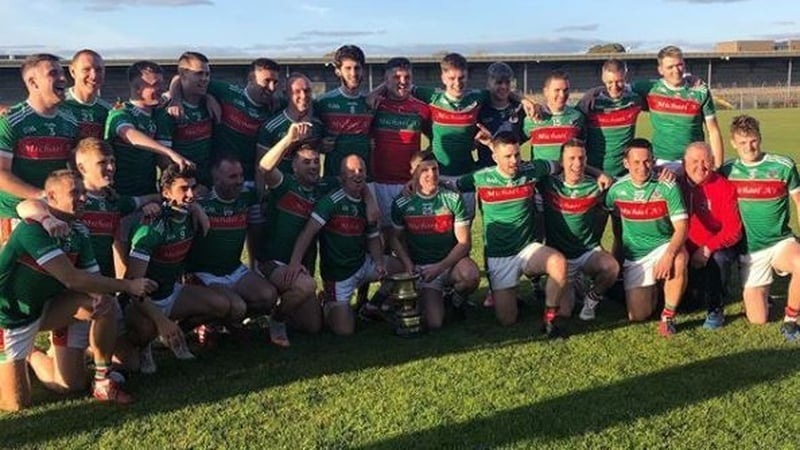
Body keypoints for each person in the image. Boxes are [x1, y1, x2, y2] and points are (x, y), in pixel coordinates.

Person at [0, 169, 157, 410]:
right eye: (75, 193)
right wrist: (128, 285)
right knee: (17, 404)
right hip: (8, 320)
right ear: (51, 197)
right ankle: (30, 354)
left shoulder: (79, 231)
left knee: (102, 303)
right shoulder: (32, 229)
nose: (84, 198)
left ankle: (103, 381)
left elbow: (92, 279)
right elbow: (72, 278)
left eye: (84, 192)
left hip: (45, 309)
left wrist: (106, 294)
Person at [187, 154, 319, 347]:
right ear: (216, 180)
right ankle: (204, 323)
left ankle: (228, 322)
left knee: (268, 297)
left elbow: (257, 230)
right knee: (237, 307)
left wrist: (260, 264)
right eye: (232, 177)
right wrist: (194, 206)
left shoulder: (247, 197)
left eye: (241, 175)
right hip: (206, 275)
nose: (239, 180)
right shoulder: (201, 202)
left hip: (234, 270)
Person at [122, 165, 240, 373]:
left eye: (193, 188)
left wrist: (197, 209)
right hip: (144, 302)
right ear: (166, 193)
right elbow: (133, 286)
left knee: (222, 305)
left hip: (172, 293)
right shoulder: (150, 228)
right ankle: (146, 344)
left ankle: (176, 335)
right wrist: (161, 321)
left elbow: (192, 205)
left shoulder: (189, 214)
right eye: (183, 189)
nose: (191, 194)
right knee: (145, 332)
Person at [457, 129, 567, 336]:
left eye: (517, 154)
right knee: (507, 320)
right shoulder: (481, 178)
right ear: (494, 156)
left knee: (558, 263)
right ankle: (510, 293)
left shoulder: (532, 169)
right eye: (507, 156)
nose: (514, 160)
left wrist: (596, 174)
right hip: (499, 256)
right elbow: (449, 184)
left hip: (527, 249)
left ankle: (550, 321)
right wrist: (413, 183)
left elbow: (563, 164)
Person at [285, 154, 400, 335]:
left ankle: (373, 305)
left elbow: (373, 237)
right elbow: (307, 233)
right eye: (352, 171)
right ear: (342, 176)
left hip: (363, 264)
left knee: (402, 268)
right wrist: (294, 262)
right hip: (339, 276)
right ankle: (327, 303)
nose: (357, 174)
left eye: (361, 170)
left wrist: (378, 262)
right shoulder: (330, 202)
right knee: (344, 331)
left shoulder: (367, 204)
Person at [719, 115, 800, 340]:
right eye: (742, 143)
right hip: (751, 251)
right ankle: (766, 295)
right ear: (733, 143)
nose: (749, 147)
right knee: (758, 318)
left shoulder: (783, 166)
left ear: (760, 138)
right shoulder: (727, 170)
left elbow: (799, 201)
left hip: (779, 242)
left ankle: (791, 320)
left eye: (753, 140)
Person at [256, 134, 336, 342]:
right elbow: (264, 167)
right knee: (307, 286)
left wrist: (370, 198)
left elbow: (354, 181)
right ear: (294, 166)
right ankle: (277, 318)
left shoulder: (322, 189)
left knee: (313, 326)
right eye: (306, 162)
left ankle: (287, 305)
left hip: (299, 267)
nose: (313, 166)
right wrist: (289, 139)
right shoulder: (286, 184)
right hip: (273, 262)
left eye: (316, 161)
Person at [605, 138, 688, 336]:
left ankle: (668, 316)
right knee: (638, 315)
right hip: (636, 257)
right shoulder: (616, 190)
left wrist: (668, 255)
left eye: (647, 161)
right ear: (626, 163)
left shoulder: (667, 186)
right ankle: (660, 290)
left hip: (662, 246)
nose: (642, 167)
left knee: (679, 258)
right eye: (636, 162)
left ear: (653, 161)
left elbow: (682, 227)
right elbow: (615, 227)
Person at [389, 150, 480, 329]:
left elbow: (464, 243)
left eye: (435, 169)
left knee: (471, 275)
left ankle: (456, 300)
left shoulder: (452, 197)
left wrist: (440, 267)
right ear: (413, 172)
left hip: (449, 264)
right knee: (435, 323)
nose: (432, 174)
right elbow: (394, 239)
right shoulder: (402, 202)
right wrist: (409, 265)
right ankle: (431, 299)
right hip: (423, 269)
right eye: (425, 170)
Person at [538, 139, 620, 320]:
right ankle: (562, 282)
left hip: (587, 252)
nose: (577, 163)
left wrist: (600, 175)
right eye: (571, 158)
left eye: (581, 158)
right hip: (561, 258)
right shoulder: (549, 184)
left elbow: (622, 186)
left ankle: (591, 301)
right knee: (564, 312)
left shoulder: (596, 186)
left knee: (611, 267)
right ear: (561, 161)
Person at [0, 54, 79, 220]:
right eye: (53, 73)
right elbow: (1, 174)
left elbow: (74, 168)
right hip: (17, 215)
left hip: (57, 212)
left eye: (61, 72)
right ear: (33, 82)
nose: (63, 78)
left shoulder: (70, 122)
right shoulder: (11, 121)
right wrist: (41, 195)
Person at [679, 141, 741, 329]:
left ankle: (716, 308)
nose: (701, 167)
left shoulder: (724, 187)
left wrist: (706, 249)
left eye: (706, 161)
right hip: (686, 247)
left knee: (720, 258)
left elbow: (734, 230)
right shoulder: (675, 184)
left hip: (714, 247)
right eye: (695, 161)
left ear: (713, 162)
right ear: (684, 163)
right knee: (689, 304)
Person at [631, 45, 724, 169]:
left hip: (694, 162)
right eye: (670, 67)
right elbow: (617, 86)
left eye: (679, 65)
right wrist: (598, 90)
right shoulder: (649, 88)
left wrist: (718, 166)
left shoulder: (700, 91)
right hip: (661, 162)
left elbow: (713, 131)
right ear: (660, 70)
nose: (676, 70)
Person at [370, 57, 431, 238]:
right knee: (381, 238)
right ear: (386, 79)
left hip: (409, 184)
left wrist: (422, 159)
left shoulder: (421, 108)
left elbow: (435, 142)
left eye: (407, 77)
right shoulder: (375, 105)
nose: (403, 82)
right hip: (379, 184)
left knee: (410, 237)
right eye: (396, 77)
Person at [315, 45, 375, 177]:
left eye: (357, 68)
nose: (353, 73)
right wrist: (320, 145)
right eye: (348, 68)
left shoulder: (371, 103)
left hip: (364, 180)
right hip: (333, 179)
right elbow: (309, 139)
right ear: (338, 71)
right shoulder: (323, 102)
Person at [578, 59, 644, 178]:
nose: (614, 87)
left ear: (626, 77)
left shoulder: (635, 100)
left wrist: (686, 80)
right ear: (603, 78)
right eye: (610, 82)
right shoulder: (591, 100)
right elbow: (570, 119)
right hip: (594, 173)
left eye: (619, 81)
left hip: (624, 173)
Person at [256, 73, 323, 183]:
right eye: (297, 91)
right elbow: (261, 167)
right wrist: (261, 196)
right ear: (286, 94)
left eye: (307, 91)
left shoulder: (317, 125)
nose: (303, 95)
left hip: (309, 190)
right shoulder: (271, 127)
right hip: (282, 188)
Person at [161, 52, 214, 189]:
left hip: (208, 182)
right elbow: (163, 158)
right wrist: (187, 186)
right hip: (184, 186)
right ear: (183, 75)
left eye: (207, 74)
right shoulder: (170, 110)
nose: (205, 79)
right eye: (199, 74)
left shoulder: (210, 101)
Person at [522, 70, 585, 162]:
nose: (562, 95)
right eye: (557, 90)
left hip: (568, 175)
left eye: (565, 90)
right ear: (546, 92)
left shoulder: (577, 116)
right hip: (542, 175)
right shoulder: (531, 118)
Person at [476, 62, 523, 168]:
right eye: (499, 82)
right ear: (488, 83)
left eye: (507, 82)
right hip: (487, 172)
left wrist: (526, 101)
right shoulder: (479, 109)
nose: (504, 86)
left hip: (513, 170)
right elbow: (471, 145)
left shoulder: (520, 109)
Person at [62, 49, 112, 140]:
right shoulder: (59, 104)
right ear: (72, 71)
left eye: (98, 70)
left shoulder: (107, 111)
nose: (94, 76)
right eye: (86, 69)